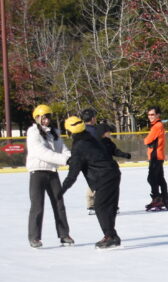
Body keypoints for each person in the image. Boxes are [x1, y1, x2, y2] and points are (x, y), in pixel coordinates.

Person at [59, 116, 122, 249]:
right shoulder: (91, 139)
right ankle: (113, 235)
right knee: (109, 207)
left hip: (104, 177)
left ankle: (110, 236)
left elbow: (73, 174)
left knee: (100, 206)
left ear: (70, 132)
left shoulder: (78, 147)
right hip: (113, 173)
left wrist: (61, 190)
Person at [26, 104, 73, 248]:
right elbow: (41, 152)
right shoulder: (33, 132)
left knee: (59, 204)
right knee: (37, 205)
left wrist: (71, 158)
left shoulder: (55, 133)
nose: (46, 121)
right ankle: (34, 237)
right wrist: (64, 160)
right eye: (44, 118)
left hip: (52, 172)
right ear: (37, 118)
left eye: (48, 117)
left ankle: (64, 235)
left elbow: (63, 149)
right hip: (37, 172)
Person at [144, 106, 168, 211]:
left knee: (152, 178)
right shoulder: (156, 125)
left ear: (158, 115)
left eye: (152, 114)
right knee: (159, 178)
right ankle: (163, 199)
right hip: (157, 156)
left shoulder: (157, 126)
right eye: (149, 114)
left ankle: (157, 198)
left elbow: (147, 140)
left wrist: (146, 140)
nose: (150, 116)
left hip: (156, 156)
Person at [81, 108, 100, 215]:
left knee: (92, 181)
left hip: (85, 161)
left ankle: (91, 205)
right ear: (92, 118)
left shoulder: (81, 130)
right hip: (95, 161)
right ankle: (95, 205)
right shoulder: (95, 131)